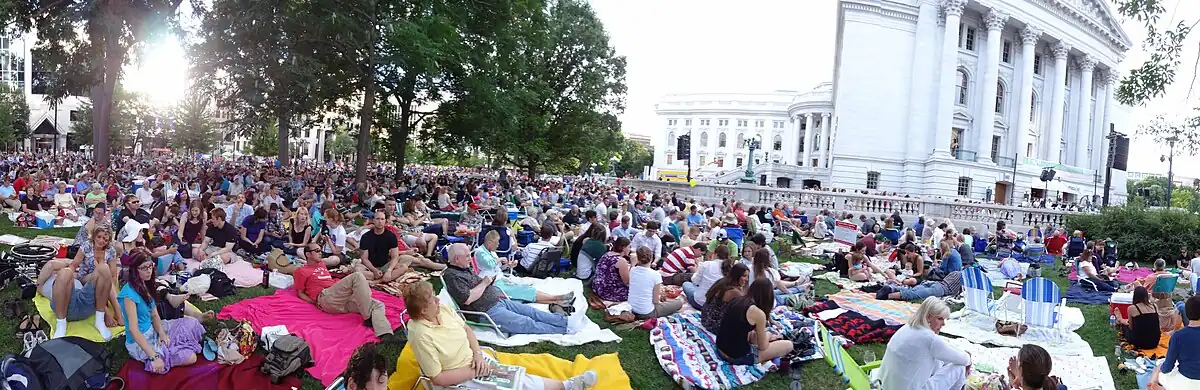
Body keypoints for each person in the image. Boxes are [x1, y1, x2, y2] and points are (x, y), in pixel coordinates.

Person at [404, 281, 598, 389]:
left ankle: (566, 385)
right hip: (457, 378)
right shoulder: (421, 334)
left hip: (475, 361)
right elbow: (438, 379)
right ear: (423, 310)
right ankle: (567, 386)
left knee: (516, 378)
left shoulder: (443, 311)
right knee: (512, 384)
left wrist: (478, 355)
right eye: (433, 300)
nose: (438, 300)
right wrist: (475, 371)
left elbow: (467, 330)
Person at [442, 243, 573, 335]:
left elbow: (475, 285)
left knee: (531, 311)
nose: (470, 259)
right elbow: (468, 299)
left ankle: (564, 321)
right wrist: (484, 283)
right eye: (467, 256)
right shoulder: (452, 276)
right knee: (526, 323)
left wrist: (488, 281)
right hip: (486, 311)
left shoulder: (463, 268)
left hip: (497, 301)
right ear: (457, 259)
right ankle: (564, 330)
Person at [294, 242, 402, 343]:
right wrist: (315, 302)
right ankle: (368, 317)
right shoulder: (301, 271)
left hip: (340, 299)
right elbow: (300, 292)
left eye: (320, 250)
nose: (320, 252)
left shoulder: (321, 264)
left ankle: (385, 334)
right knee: (357, 276)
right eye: (317, 251)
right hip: (326, 297)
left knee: (377, 304)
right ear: (308, 254)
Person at [118, 253, 205, 374]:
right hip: (141, 341)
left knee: (193, 323)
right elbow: (134, 330)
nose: (149, 271)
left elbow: (154, 315)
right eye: (144, 268)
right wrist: (153, 356)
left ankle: (172, 345)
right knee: (191, 357)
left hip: (153, 329)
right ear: (134, 271)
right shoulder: (129, 295)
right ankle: (160, 356)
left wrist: (162, 333)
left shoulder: (145, 284)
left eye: (150, 266)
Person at [36, 227, 121, 339]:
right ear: (94, 236)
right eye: (99, 237)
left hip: (94, 284)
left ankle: (102, 320)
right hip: (84, 280)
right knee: (66, 272)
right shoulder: (86, 247)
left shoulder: (110, 251)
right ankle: (61, 325)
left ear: (109, 240)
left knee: (104, 269)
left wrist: (107, 287)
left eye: (105, 239)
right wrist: (66, 274)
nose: (101, 241)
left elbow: (113, 275)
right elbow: (71, 265)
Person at [878, 297, 971, 389]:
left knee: (940, 359)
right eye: (940, 319)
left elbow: (947, 353)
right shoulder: (930, 339)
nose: (943, 324)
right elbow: (964, 359)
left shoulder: (906, 328)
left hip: (885, 385)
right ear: (928, 317)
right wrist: (968, 360)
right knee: (959, 367)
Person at [473, 230, 574, 305]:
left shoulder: (491, 252)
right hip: (493, 284)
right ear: (489, 242)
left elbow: (497, 268)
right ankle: (557, 298)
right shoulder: (480, 252)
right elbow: (489, 264)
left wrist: (507, 265)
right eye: (496, 242)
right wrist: (500, 259)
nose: (498, 245)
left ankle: (557, 301)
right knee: (524, 291)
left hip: (500, 279)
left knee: (525, 289)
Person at [715, 279, 794, 365]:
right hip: (737, 357)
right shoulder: (758, 313)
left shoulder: (737, 300)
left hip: (720, 348)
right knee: (788, 345)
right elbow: (763, 347)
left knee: (755, 335)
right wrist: (769, 335)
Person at [1150, 295, 1200, 389]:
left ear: (1186, 313)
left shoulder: (1178, 336)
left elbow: (1168, 367)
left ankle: (1153, 385)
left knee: (1159, 366)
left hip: (1185, 381)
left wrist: (1160, 368)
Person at [629, 247, 683, 319]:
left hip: (632, 309)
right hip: (647, 313)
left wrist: (632, 263)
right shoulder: (655, 275)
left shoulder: (632, 270)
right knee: (679, 302)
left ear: (637, 259)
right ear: (652, 258)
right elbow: (656, 301)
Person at [701, 263, 749, 334]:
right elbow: (746, 307)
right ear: (737, 275)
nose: (747, 279)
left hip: (705, 317)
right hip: (715, 325)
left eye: (748, 276)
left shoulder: (723, 281)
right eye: (744, 276)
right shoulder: (735, 292)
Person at [684, 245, 733, 309]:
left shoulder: (707, 264)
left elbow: (695, 281)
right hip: (716, 306)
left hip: (700, 303)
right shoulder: (730, 269)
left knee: (686, 284)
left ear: (715, 254)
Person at [1117, 286, 1161, 350]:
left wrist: (1123, 321)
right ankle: (1121, 320)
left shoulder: (1132, 308)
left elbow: (1131, 327)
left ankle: (1120, 319)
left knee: (1125, 327)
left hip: (1139, 343)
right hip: (1154, 342)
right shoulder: (1155, 306)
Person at [877, 269, 964, 301]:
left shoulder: (956, 272)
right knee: (915, 294)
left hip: (936, 283)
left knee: (913, 290)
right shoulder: (965, 278)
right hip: (941, 289)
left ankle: (891, 288)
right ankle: (888, 296)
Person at [592, 237, 632, 302]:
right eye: (629, 247)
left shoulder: (606, 254)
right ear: (623, 248)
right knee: (635, 291)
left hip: (597, 287)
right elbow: (627, 282)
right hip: (608, 292)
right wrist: (633, 265)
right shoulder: (621, 261)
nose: (630, 249)